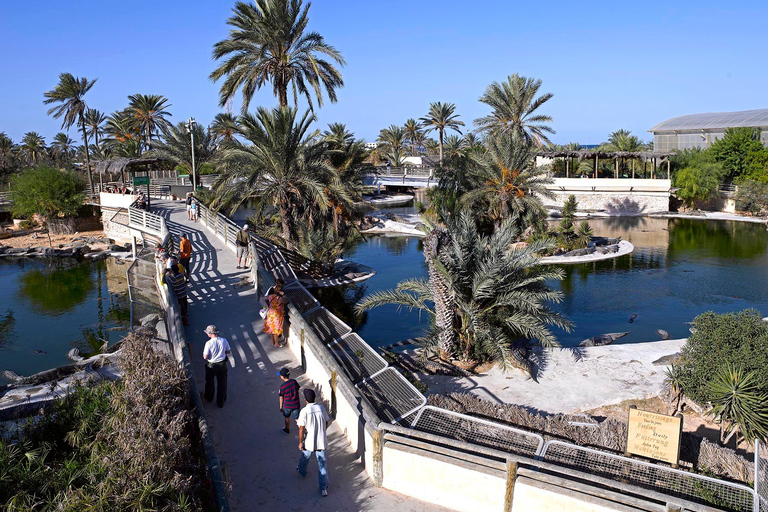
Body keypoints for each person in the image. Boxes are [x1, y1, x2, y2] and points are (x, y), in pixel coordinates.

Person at [296, 388, 330, 497]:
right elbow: (326, 421)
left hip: (309, 441)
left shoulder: (304, 411)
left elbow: (301, 428)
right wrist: (322, 431)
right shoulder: (321, 408)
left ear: (305, 400)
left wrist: (300, 442)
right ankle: (323, 488)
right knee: (322, 465)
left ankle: (302, 472)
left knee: (305, 456)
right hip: (321, 441)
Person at [202, 325, 231, 408]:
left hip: (212, 365)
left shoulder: (208, 343)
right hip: (222, 364)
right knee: (222, 383)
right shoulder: (224, 340)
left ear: (210, 333)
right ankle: (221, 401)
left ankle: (209, 397)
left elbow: (205, 356)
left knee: (210, 382)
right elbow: (228, 351)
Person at [263, 278, 289, 347]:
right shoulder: (279, 298)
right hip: (277, 315)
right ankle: (277, 343)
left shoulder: (270, 296)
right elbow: (286, 301)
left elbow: (264, 298)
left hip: (270, 313)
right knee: (276, 329)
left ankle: (273, 342)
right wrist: (283, 296)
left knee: (271, 328)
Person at [278, 368, 301, 435]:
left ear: (282, 377)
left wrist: (281, 406)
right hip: (296, 404)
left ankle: (287, 429)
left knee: (287, 417)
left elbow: (281, 397)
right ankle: (302, 430)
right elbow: (297, 390)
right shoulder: (294, 381)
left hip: (287, 405)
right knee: (297, 418)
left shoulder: (282, 387)